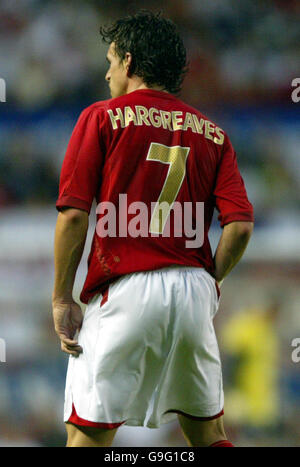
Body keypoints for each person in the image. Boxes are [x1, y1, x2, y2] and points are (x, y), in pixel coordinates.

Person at [52, 10, 254, 448]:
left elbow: (72, 215)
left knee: (86, 432)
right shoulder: (214, 134)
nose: (106, 73)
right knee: (207, 432)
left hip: (125, 288)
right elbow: (239, 227)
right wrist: (208, 281)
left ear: (128, 61)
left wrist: (61, 297)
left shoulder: (102, 118)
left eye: (110, 61)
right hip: (194, 292)